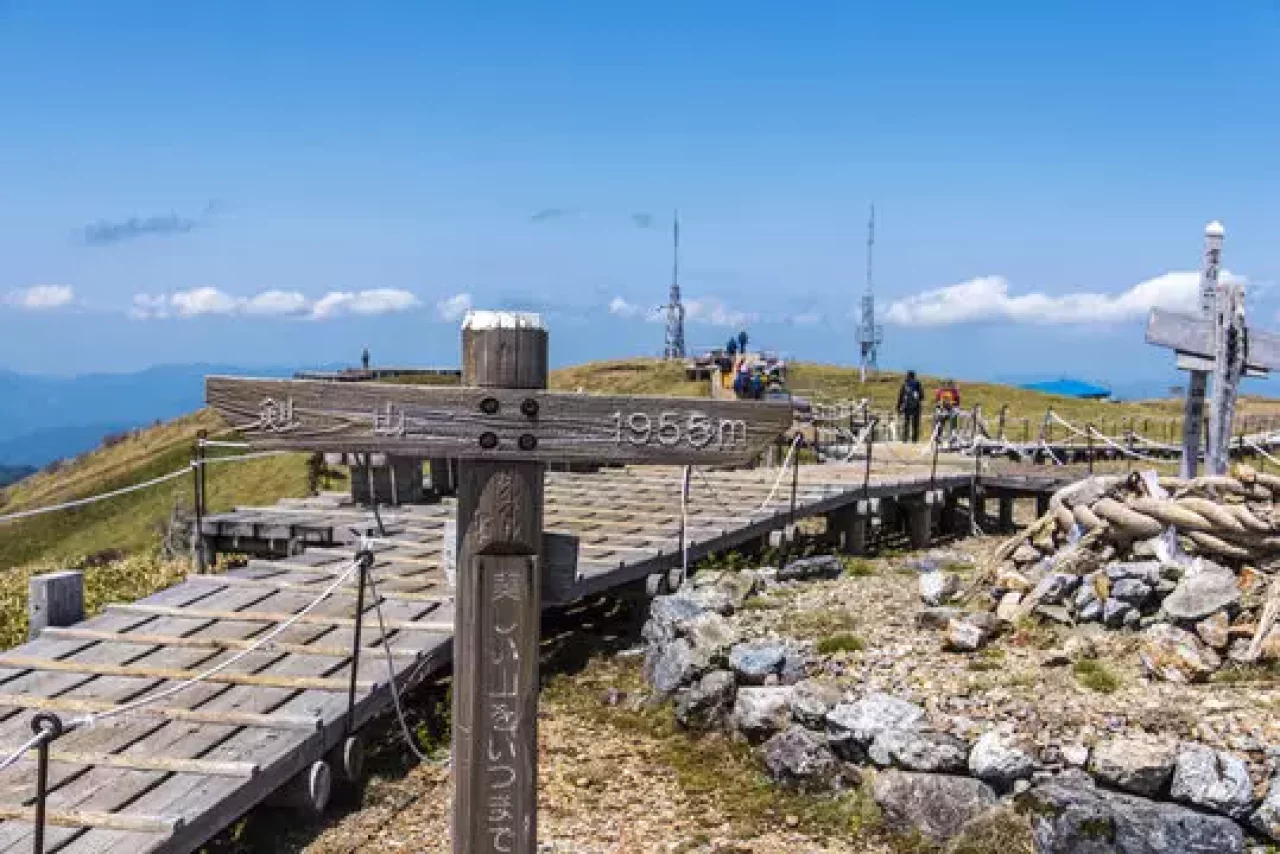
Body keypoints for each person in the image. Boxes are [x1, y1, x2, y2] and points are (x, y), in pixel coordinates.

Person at [897, 370, 924, 442]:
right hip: (916, 406)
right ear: (914, 376)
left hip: (907, 406)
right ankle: (914, 440)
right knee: (915, 424)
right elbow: (921, 396)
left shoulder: (905, 384)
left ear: (908, 376)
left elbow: (900, 397)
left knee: (906, 423)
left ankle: (905, 439)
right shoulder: (918, 383)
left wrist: (898, 407)